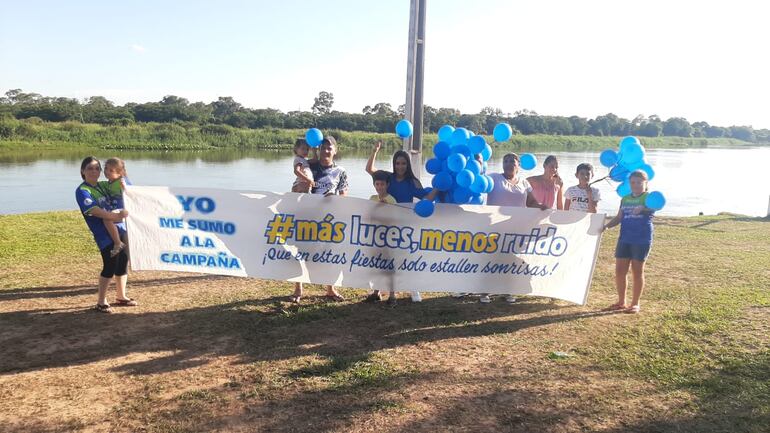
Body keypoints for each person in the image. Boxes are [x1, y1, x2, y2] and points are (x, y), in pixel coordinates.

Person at [366, 141, 436, 303]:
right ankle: (377, 291)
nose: (400, 166)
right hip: (383, 225)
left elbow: (426, 198)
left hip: (402, 225)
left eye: (403, 163)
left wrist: (438, 187)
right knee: (381, 258)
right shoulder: (388, 178)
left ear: (408, 165)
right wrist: (375, 151)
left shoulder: (412, 182)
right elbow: (370, 170)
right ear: (394, 164)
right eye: (397, 163)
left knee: (399, 259)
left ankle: (407, 289)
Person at [477, 153, 548, 304]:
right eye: (506, 161)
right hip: (495, 227)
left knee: (512, 260)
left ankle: (509, 290)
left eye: (512, 161)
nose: (509, 164)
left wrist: (541, 206)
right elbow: (479, 182)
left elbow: (531, 202)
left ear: (518, 165)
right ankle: (485, 291)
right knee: (492, 259)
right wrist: (479, 163)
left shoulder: (524, 183)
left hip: (517, 228)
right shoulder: (494, 178)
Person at [75, 156, 138, 313]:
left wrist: (124, 183)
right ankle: (101, 301)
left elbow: (122, 185)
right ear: (83, 171)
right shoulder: (83, 191)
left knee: (122, 262)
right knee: (110, 265)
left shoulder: (104, 185)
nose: (94, 171)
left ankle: (121, 296)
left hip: (121, 229)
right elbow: (94, 211)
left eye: (97, 168)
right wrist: (115, 216)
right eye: (90, 168)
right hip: (104, 234)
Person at [290, 136, 347, 303]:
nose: (326, 151)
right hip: (306, 217)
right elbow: (294, 189)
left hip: (329, 220)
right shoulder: (309, 165)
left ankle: (330, 289)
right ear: (318, 149)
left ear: (335, 151)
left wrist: (334, 198)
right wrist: (299, 188)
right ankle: (298, 289)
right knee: (300, 253)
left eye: (329, 148)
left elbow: (344, 196)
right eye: (323, 147)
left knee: (329, 254)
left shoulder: (341, 171)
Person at [601, 170, 654, 314]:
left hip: (641, 240)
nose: (635, 185)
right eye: (633, 182)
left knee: (637, 272)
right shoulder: (625, 199)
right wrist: (606, 226)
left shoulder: (648, 197)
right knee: (620, 271)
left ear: (645, 183)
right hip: (624, 239)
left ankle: (635, 304)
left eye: (639, 182)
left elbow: (656, 207)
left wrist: (644, 208)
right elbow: (619, 217)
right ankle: (621, 302)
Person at [364, 170, 398, 304]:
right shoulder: (372, 199)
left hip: (387, 239)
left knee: (389, 266)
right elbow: (367, 217)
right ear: (374, 185)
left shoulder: (391, 200)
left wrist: (385, 208)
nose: (379, 187)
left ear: (387, 185)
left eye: (382, 184)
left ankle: (392, 295)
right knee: (376, 265)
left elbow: (393, 220)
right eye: (377, 184)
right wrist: (377, 207)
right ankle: (376, 292)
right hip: (374, 238)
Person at [102, 157, 130, 257]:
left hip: (122, 210)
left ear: (119, 173)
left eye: (111, 170)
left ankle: (118, 243)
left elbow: (130, 191)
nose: (107, 172)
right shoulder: (110, 182)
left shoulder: (121, 181)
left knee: (107, 219)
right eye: (106, 168)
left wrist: (125, 187)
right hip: (115, 209)